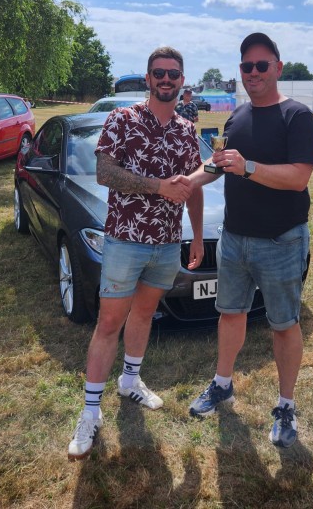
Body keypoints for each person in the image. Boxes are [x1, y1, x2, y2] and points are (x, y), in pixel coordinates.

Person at [68, 46, 205, 460]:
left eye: (173, 74)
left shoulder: (186, 130)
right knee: (109, 322)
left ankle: (130, 381)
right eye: (159, 73)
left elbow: (193, 187)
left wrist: (198, 236)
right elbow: (105, 172)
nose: (166, 79)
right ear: (148, 78)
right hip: (125, 240)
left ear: (182, 81)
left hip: (167, 242)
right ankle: (90, 412)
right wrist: (159, 186)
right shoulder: (122, 119)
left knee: (144, 315)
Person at [186, 32, 313, 449]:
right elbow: (220, 165)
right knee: (230, 314)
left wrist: (248, 168)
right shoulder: (237, 118)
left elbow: (298, 178)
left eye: (262, 65)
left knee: (284, 324)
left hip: (281, 242)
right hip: (234, 238)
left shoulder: (297, 116)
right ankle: (222, 383)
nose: (254, 72)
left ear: (278, 68)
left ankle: (286, 405)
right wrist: (187, 181)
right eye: (247, 66)